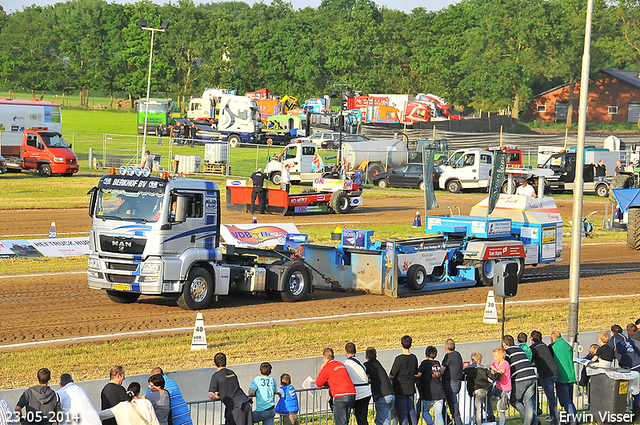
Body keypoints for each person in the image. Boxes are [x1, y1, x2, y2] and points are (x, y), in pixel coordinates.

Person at [502, 335, 538, 425]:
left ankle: (531, 420)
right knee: (528, 402)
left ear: (504, 344)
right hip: (532, 376)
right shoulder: (520, 349)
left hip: (521, 378)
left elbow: (505, 366)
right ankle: (533, 421)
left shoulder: (507, 352)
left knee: (514, 400)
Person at [208, 353, 253, 425]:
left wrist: (219, 396)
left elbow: (210, 395)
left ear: (215, 364)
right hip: (246, 404)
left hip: (235, 409)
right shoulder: (232, 373)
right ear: (226, 362)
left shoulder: (216, 376)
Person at [314, 348, 355, 425]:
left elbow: (319, 383)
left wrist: (321, 370)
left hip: (340, 396)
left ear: (324, 357)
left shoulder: (327, 367)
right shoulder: (340, 364)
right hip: (351, 393)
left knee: (340, 422)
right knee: (345, 420)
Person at [530, 330, 559, 425]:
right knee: (552, 397)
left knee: (549, 397)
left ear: (531, 339)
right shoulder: (545, 346)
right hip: (555, 372)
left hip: (546, 375)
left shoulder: (533, 348)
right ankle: (555, 417)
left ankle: (554, 419)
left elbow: (531, 361)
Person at [389, 335, 418, 425]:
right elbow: (415, 372)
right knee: (411, 411)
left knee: (403, 413)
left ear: (401, 344)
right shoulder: (413, 357)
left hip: (400, 389)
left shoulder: (399, 359)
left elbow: (392, 375)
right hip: (410, 388)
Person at [549, 331, 577, 424]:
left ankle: (573, 420)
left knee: (565, 400)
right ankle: (572, 419)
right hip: (570, 376)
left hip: (561, 377)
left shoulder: (553, 347)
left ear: (552, 338)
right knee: (569, 399)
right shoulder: (567, 345)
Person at [463, 352, 496, 425]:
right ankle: (490, 415)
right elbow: (493, 376)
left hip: (475, 389)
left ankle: (478, 421)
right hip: (485, 388)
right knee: (486, 401)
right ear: (479, 360)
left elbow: (462, 376)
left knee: (477, 407)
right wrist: (499, 373)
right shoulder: (484, 368)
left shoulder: (468, 368)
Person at [364, 347, 394, 425]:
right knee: (380, 420)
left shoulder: (367, 365)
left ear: (366, 357)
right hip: (391, 393)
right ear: (376, 356)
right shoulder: (378, 364)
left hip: (382, 396)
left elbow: (364, 377)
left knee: (384, 421)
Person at [416, 346, 445, 425]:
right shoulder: (437, 363)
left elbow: (419, 374)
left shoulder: (425, 363)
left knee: (425, 411)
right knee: (438, 415)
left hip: (429, 393)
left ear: (426, 355)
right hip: (440, 393)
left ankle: (431, 423)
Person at [343, 343, 371, 425]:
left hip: (357, 393)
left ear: (345, 351)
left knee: (346, 418)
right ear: (355, 351)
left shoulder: (345, 364)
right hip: (366, 392)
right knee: (362, 419)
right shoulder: (360, 363)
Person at [441, 338, 463, 425]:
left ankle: (451, 421)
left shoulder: (448, 356)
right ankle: (450, 421)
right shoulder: (458, 354)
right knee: (453, 406)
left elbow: (442, 370)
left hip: (450, 384)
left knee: (451, 407)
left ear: (445, 347)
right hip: (457, 382)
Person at [490, 348, 511, 425]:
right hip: (498, 387)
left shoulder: (505, 364)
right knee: (488, 396)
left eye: (495, 356)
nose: (494, 358)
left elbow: (500, 372)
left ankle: (502, 423)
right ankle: (490, 415)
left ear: (502, 356)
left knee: (501, 408)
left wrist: (494, 369)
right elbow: (491, 366)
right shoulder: (496, 363)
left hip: (505, 389)